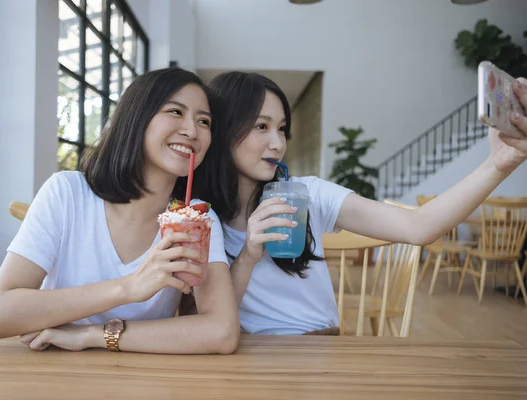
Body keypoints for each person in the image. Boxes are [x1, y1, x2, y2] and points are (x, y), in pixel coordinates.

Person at [195, 71, 527, 335]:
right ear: (224, 132)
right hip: (246, 354)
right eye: (261, 126)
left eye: (282, 128)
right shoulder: (200, 216)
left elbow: (418, 226)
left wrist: (499, 164)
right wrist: (249, 254)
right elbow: (213, 320)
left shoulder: (308, 194)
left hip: (317, 349)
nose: (277, 142)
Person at [0, 68, 239, 353]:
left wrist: (91, 335)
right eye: (176, 112)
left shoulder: (197, 219)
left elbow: (221, 331)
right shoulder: (67, 193)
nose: (192, 131)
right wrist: (127, 287)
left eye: (204, 121)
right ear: (136, 118)